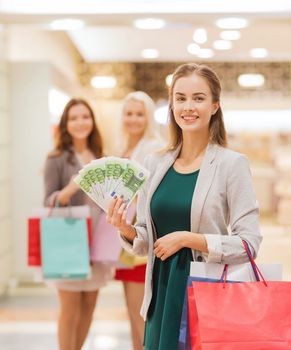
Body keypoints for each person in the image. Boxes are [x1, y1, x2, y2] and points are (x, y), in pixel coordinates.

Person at [107, 63, 262, 350]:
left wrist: (190, 239)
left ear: (215, 105)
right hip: (160, 296)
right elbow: (145, 241)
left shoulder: (232, 164)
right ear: (171, 106)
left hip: (204, 292)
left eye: (198, 98)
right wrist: (126, 229)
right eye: (180, 98)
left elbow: (249, 243)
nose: (188, 107)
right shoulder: (155, 163)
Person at [44, 98, 112, 350]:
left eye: (85, 116)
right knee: (70, 309)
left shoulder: (100, 157)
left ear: (93, 121)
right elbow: (48, 202)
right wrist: (70, 189)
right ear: (65, 124)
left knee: (89, 306)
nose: (80, 122)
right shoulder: (57, 158)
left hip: (98, 242)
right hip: (69, 242)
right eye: (73, 118)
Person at [114, 91, 165, 350]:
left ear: (148, 117)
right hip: (124, 238)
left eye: (139, 114)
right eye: (129, 113)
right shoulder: (122, 147)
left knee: (141, 315)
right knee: (131, 312)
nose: (133, 119)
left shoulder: (153, 148)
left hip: (141, 238)